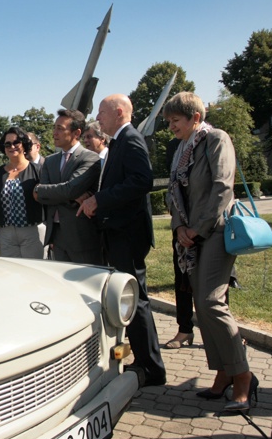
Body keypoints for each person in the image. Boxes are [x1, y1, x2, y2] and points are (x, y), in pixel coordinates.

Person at [163, 91, 256, 411]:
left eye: (176, 121)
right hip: (190, 236)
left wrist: (196, 229)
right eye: (169, 121)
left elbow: (222, 188)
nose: (171, 127)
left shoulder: (216, 139)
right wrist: (178, 228)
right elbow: (172, 195)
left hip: (216, 232)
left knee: (210, 302)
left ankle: (242, 375)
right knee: (201, 308)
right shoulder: (180, 150)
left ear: (195, 118)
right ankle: (222, 375)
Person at [77, 94, 166, 387]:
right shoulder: (119, 141)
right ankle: (140, 359)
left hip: (128, 233)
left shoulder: (131, 139)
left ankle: (151, 368)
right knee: (129, 298)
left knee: (135, 298)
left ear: (118, 112)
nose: (98, 118)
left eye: (102, 112)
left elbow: (142, 181)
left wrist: (100, 200)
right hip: (117, 232)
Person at [34, 109, 103, 265]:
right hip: (56, 236)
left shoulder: (90, 158)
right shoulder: (50, 161)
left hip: (81, 236)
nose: (54, 133)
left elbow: (68, 189)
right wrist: (69, 194)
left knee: (86, 283)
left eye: (60, 128)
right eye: (54, 127)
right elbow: (42, 197)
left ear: (76, 133)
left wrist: (49, 191)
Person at [0, 127, 43, 258]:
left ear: (24, 144)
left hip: (32, 231)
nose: (12, 146)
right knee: (10, 274)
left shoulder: (38, 170)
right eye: (7, 144)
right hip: (6, 233)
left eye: (16, 142)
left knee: (32, 273)